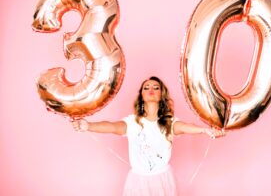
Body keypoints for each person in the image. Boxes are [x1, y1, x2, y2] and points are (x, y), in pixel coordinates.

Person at [71, 76, 225, 196]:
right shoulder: (132, 122)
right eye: (146, 87)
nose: (151, 89)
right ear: (142, 95)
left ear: (161, 94)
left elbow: (185, 127)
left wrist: (206, 130)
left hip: (162, 179)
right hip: (138, 180)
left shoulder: (169, 122)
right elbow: (112, 126)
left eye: (156, 87)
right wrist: (88, 126)